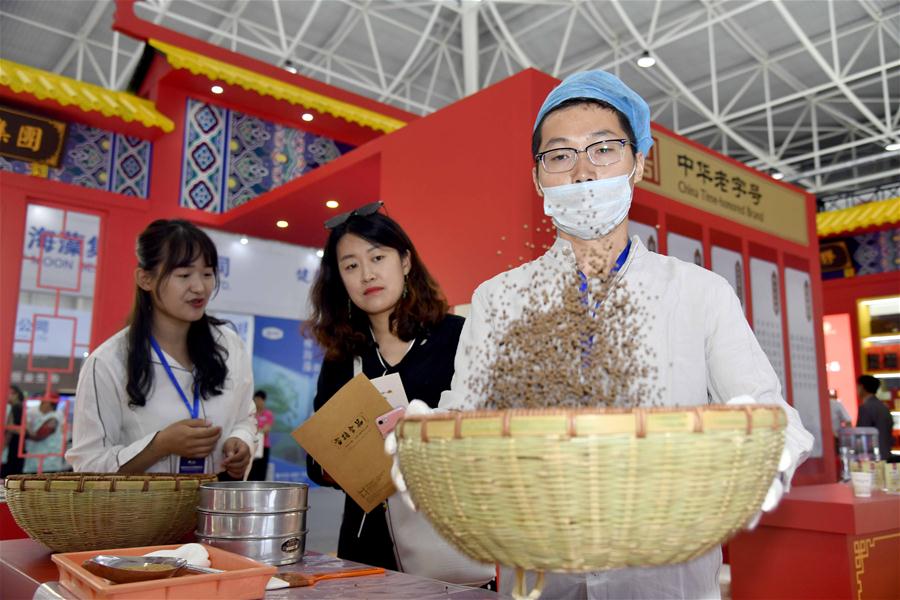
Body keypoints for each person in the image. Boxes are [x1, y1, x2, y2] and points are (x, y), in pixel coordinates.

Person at [433, 70, 815, 599]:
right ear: (538, 178)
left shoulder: (699, 293)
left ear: (638, 163)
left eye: (604, 149)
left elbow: (776, 423)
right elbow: (463, 423)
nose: (583, 171)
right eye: (560, 155)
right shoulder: (499, 299)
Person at [305, 203, 465, 572]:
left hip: (443, 538)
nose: (367, 275)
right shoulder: (342, 356)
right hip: (365, 543)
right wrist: (340, 462)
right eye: (351, 266)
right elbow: (317, 460)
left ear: (405, 261)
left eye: (377, 257)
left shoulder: (456, 337)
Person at [66, 219, 256, 476]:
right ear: (145, 279)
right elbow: (89, 464)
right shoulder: (108, 362)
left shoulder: (229, 345)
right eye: (184, 275)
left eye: (208, 274)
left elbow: (245, 417)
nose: (200, 287)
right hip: (143, 503)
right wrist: (159, 446)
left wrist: (241, 441)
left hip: (214, 500)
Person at [23, 393, 68, 473]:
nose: (41, 404)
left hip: (47, 464)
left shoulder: (53, 418)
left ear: (49, 404)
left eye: (43, 402)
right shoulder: (45, 416)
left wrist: (26, 426)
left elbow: (38, 436)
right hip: (39, 461)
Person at [856, 375, 895, 463]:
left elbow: (862, 433)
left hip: (872, 456)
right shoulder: (884, 407)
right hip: (886, 453)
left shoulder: (865, 407)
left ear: (862, 387)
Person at [248, 390, 274, 481]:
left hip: (264, 446)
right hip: (252, 445)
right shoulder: (251, 413)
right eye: (256, 400)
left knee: (262, 470)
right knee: (251, 470)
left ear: (264, 400)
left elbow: (266, 429)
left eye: (259, 400)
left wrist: (256, 430)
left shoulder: (268, 414)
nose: (257, 402)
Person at [1, 385, 26, 477]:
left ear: (17, 394)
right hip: (17, 445)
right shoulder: (19, 406)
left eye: (11, 393)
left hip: (14, 445)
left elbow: (14, 428)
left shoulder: (15, 407)